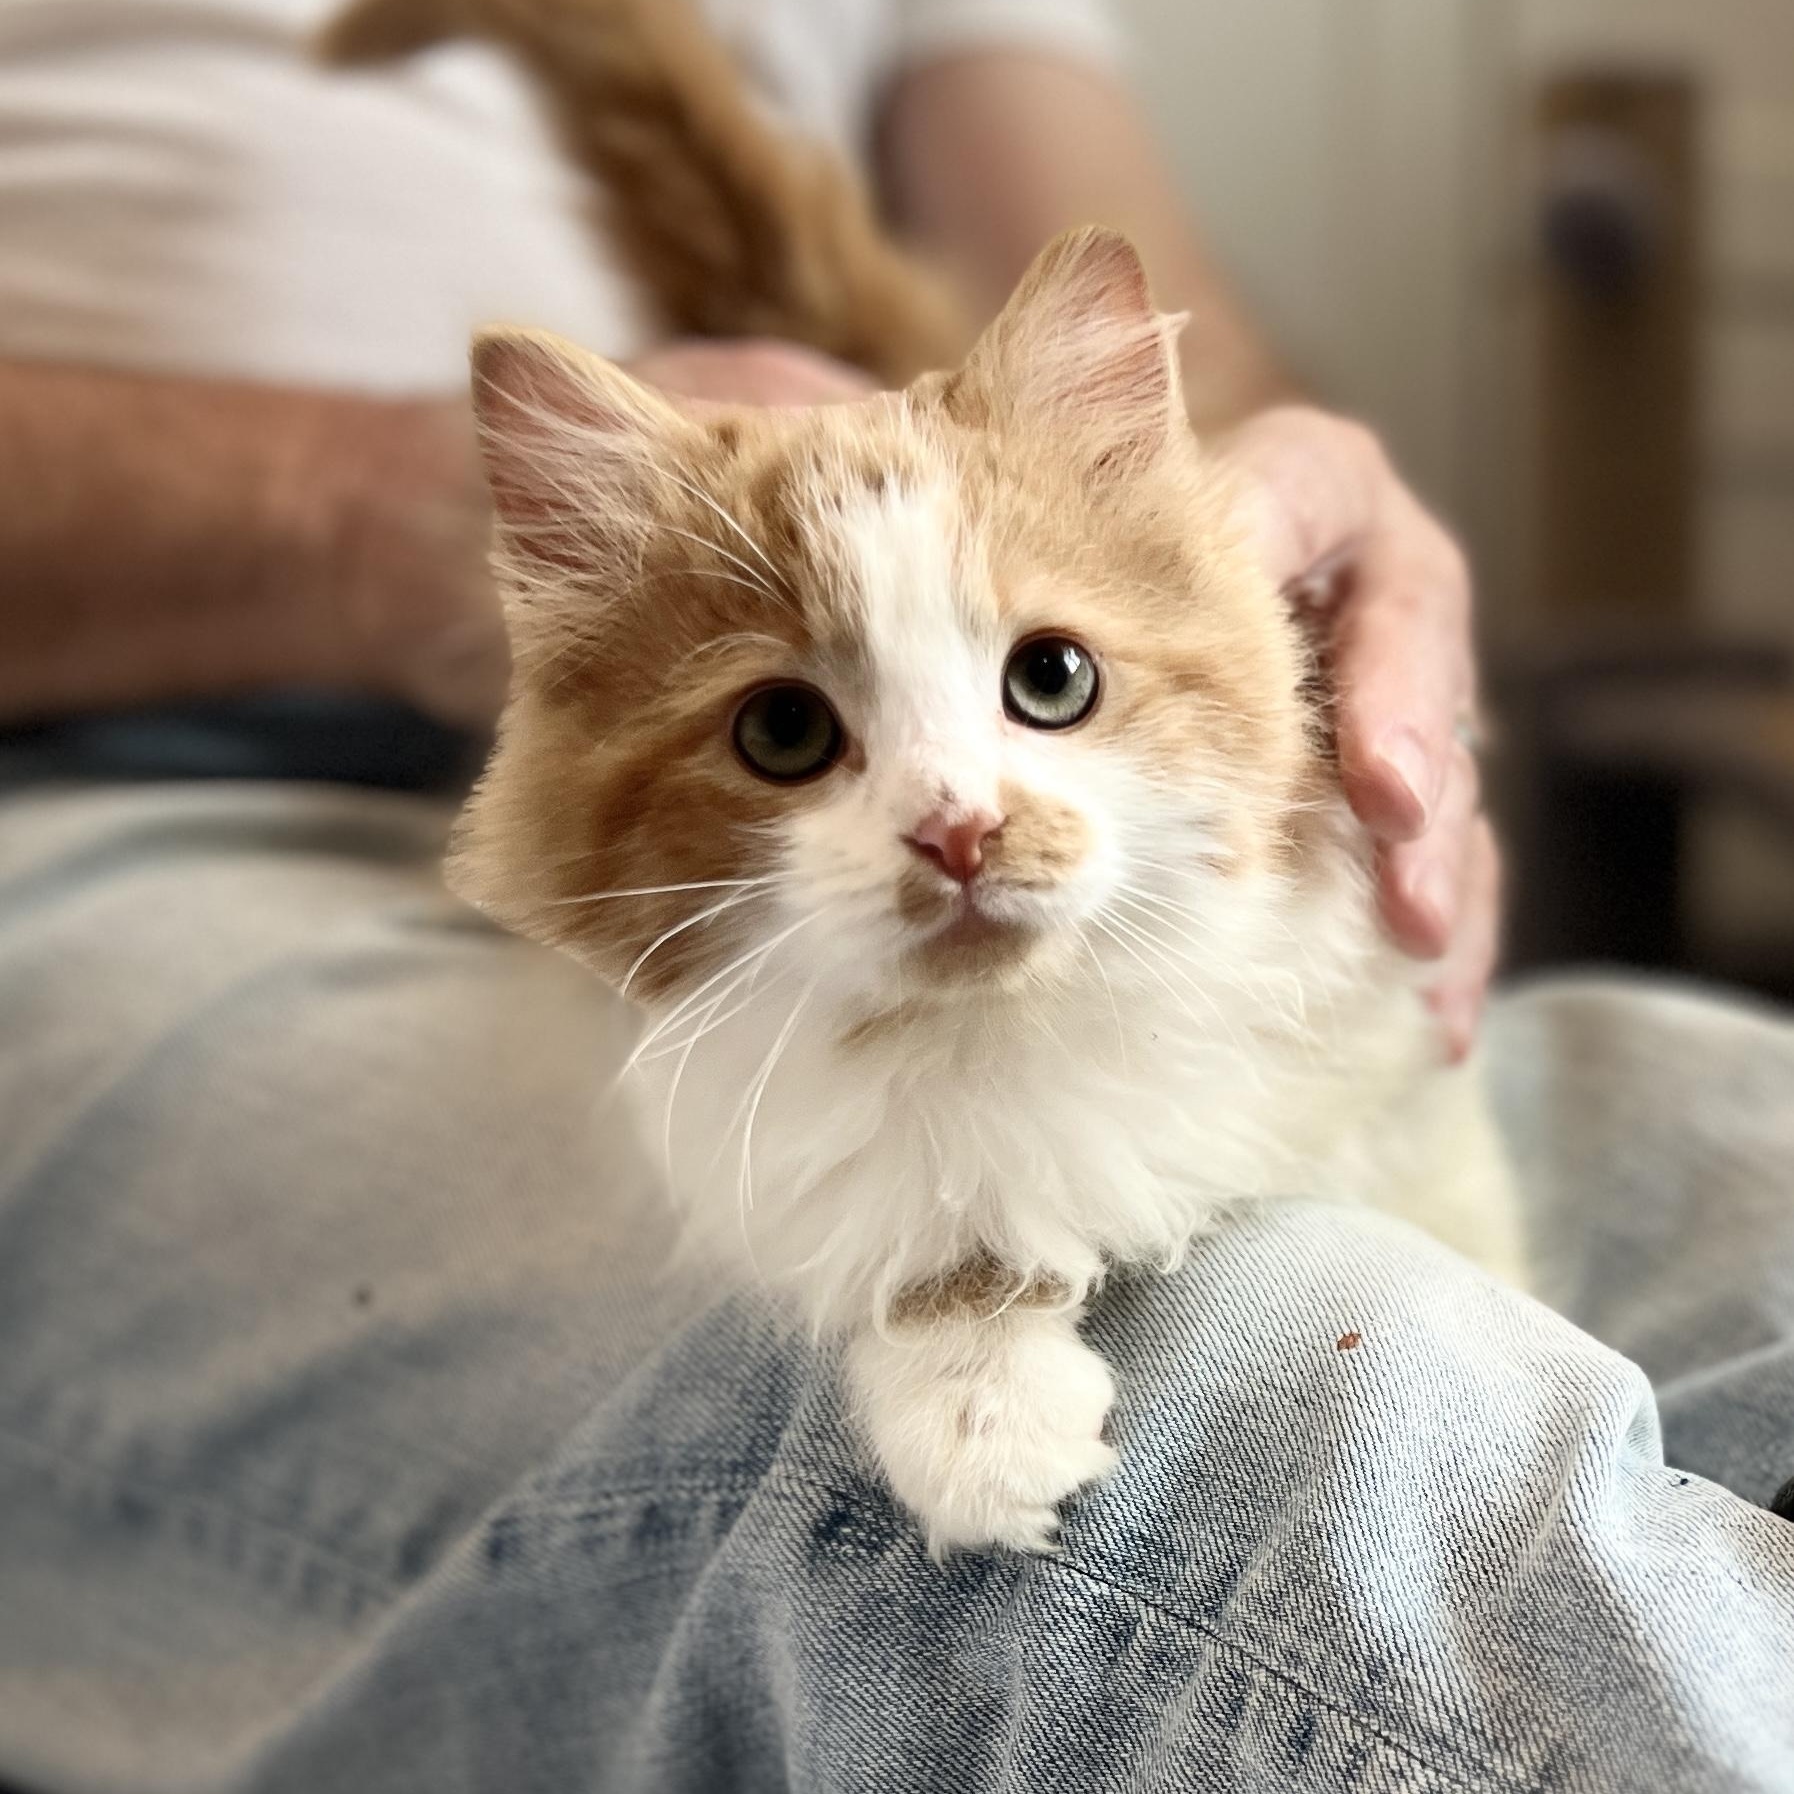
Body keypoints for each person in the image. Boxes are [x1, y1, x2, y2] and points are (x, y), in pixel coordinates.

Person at [0, 2, 1789, 1789]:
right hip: (122, 777)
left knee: (1753, 1162)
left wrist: (1305, 537)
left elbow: (1164, 343)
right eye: (795, 727)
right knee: (1260, 1475)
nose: (953, 819)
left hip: (964, 722)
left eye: (1042, 689)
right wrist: (371, 511)